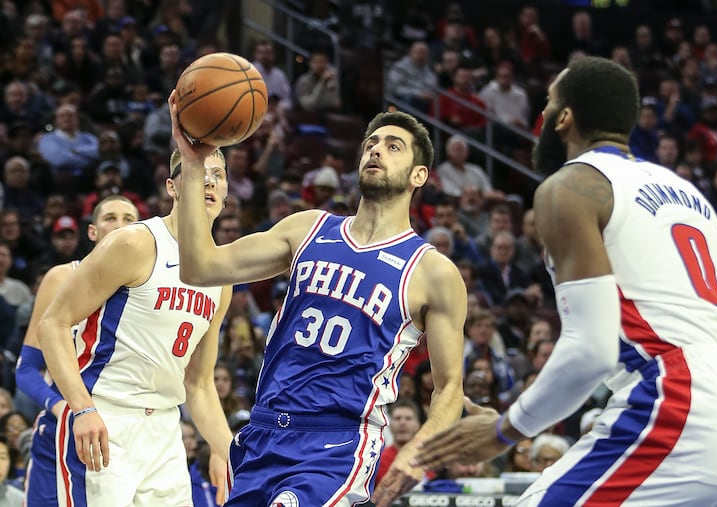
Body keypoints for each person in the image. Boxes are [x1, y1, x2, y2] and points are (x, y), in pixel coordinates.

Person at [413, 56, 717, 506]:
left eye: (548, 103)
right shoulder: (692, 196)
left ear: (565, 117)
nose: (541, 115)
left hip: (680, 398)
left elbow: (591, 349)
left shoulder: (571, 186)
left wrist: (504, 430)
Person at [170, 89, 466, 507]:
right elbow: (199, 267)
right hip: (264, 432)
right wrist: (194, 161)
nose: (376, 151)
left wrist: (416, 455)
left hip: (337, 444)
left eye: (393, 146)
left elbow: (450, 387)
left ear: (419, 175)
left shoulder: (432, 271)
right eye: (371, 144)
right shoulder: (308, 228)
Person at [36, 149, 233, 506]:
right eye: (199, 172)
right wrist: (81, 408)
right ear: (173, 187)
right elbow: (53, 323)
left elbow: (200, 383)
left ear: (227, 192)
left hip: (165, 430)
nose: (209, 181)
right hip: (105, 417)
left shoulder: (221, 276)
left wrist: (229, 452)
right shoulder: (136, 242)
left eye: (218, 175)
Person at [16, 195, 138, 507]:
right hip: (61, 431)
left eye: (129, 219)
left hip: (122, 434)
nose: (120, 226)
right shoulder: (62, 277)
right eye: (110, 218)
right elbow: (27, 369)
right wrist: (62, 407)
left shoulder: (146, 291)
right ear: (93, 231)